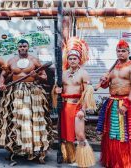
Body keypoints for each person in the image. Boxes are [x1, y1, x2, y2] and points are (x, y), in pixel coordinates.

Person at [0, 39, 54, 165]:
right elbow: (3, 75)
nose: (22, 48)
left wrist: (37, 76)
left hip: (33, 93)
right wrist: (1, 83)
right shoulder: (11, 61)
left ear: (28, 47)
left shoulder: (34, 60)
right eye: (20, 46)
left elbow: (44, 77)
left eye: (24, 46)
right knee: (15, 121)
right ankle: (15, 149)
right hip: (15, 93)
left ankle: (36, 151)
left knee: (33, 121)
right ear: (17, 48)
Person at [97, 39, 131, 168]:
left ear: (128, 52)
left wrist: (126, 104)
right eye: (118, 51)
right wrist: (103, 81)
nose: (120, 53)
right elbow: (106, 86)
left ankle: (127, 162)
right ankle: (115, 160)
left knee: (128, 134)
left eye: (123, 51)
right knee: (113, 132)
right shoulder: (114, 67)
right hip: (113, 103)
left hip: (128, 103)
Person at [55, 37, 96, 167]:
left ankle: (85, 159)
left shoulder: (84, 73)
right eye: (70, 58)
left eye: (75, 58)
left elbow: (87, 93)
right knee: (66, 135)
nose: (72, 61)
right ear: (67, 60)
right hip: (65, 107)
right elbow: (57, 91)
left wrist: (82, 110)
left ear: (79, 60)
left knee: (79, 134)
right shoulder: (63, 74)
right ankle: (71, 157)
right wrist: (56, 91)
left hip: (77, 106)